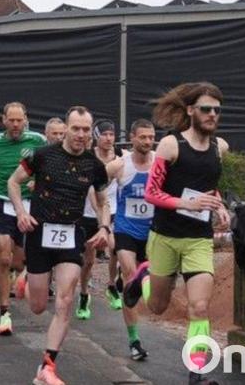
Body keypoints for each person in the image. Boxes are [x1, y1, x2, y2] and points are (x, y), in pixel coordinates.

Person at [123, 82, 230, 385]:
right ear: (190, 110)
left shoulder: (219, 148)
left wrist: (218, 206)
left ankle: (196, 373)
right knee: (157, 306)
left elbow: (209, 187)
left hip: (198, 239)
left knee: (199, 306)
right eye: (206, 109)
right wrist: (188, 203)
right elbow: (151, 193)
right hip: (165, 237)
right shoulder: (171, 145)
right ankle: (142, 276)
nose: (212, 115)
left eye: (217, 110)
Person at [7, 106, 110, 385]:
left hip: (71, 235)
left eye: (86, 130)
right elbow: (14, 183)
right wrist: (21, 213)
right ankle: (27, 279)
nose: (80, 134)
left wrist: (104, 226)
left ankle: (47, 368)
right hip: (40, 234)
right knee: (39, 306)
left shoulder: (94, 166)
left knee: (64, 301)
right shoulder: (43, 156)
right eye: (75, 128)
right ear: (66, 128)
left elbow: (102, 202)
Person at [0, 102, 46, 336]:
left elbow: (46, 165)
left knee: (23, 259)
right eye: (11, 120)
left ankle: (21, 275)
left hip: (30, 203)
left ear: (26, 119)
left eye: (19, 120)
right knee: (2, 255)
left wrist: (36, 181)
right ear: (3, 120)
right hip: (3, 200)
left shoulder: (38, 141)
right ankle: (4, 313)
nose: (15, 125)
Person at [105, 119, 155, 360]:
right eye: (142, 137)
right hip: (125, 230)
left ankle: (128, 284)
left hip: (153, 233)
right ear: (132, 138)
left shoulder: (160, 162)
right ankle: (134, 341)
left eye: (150, 137)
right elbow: (97, 190)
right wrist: (104, 223)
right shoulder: (119, 165)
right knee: (130, 275)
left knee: (147, 282)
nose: (147, 141)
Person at [75, 119, 118, 320]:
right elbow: (93, 192)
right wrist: (101, 218)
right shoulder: (88, 159)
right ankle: (84, 294)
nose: (109, 138)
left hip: (114, 211)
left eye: (112, 134)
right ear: (96, 136)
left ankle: (112, 284)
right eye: (105, 134)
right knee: (89, 261)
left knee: (116, 246)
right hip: (89, 214)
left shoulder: (120, 158)